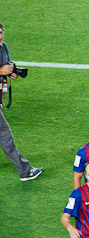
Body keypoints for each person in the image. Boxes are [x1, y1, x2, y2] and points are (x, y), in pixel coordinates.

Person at [0, 23, 43, 181]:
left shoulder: (4, 47)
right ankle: (25, 171)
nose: (0, 36)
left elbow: (5, 66)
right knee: (5, 135)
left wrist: (10, 73)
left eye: (1, 32)